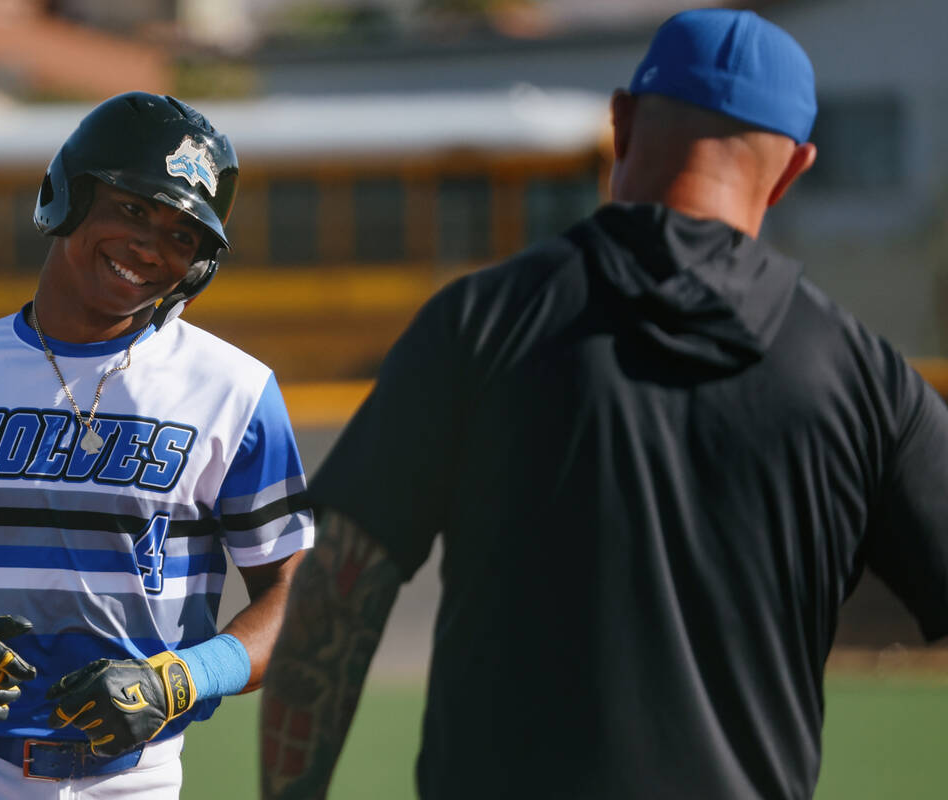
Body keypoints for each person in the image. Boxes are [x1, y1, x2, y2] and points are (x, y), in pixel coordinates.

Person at [259, 9, 948, 800]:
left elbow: (337, 596)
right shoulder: (864, 376)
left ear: (621, 124)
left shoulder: (480, 322)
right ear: (794, 171)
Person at [0, 91, 313, 799]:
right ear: (67, 195)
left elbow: (295, 598)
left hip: (136, 781)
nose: (151, 247)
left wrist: (178, 679)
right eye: (132, 209)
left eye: (184, 236)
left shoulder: (234, 389)